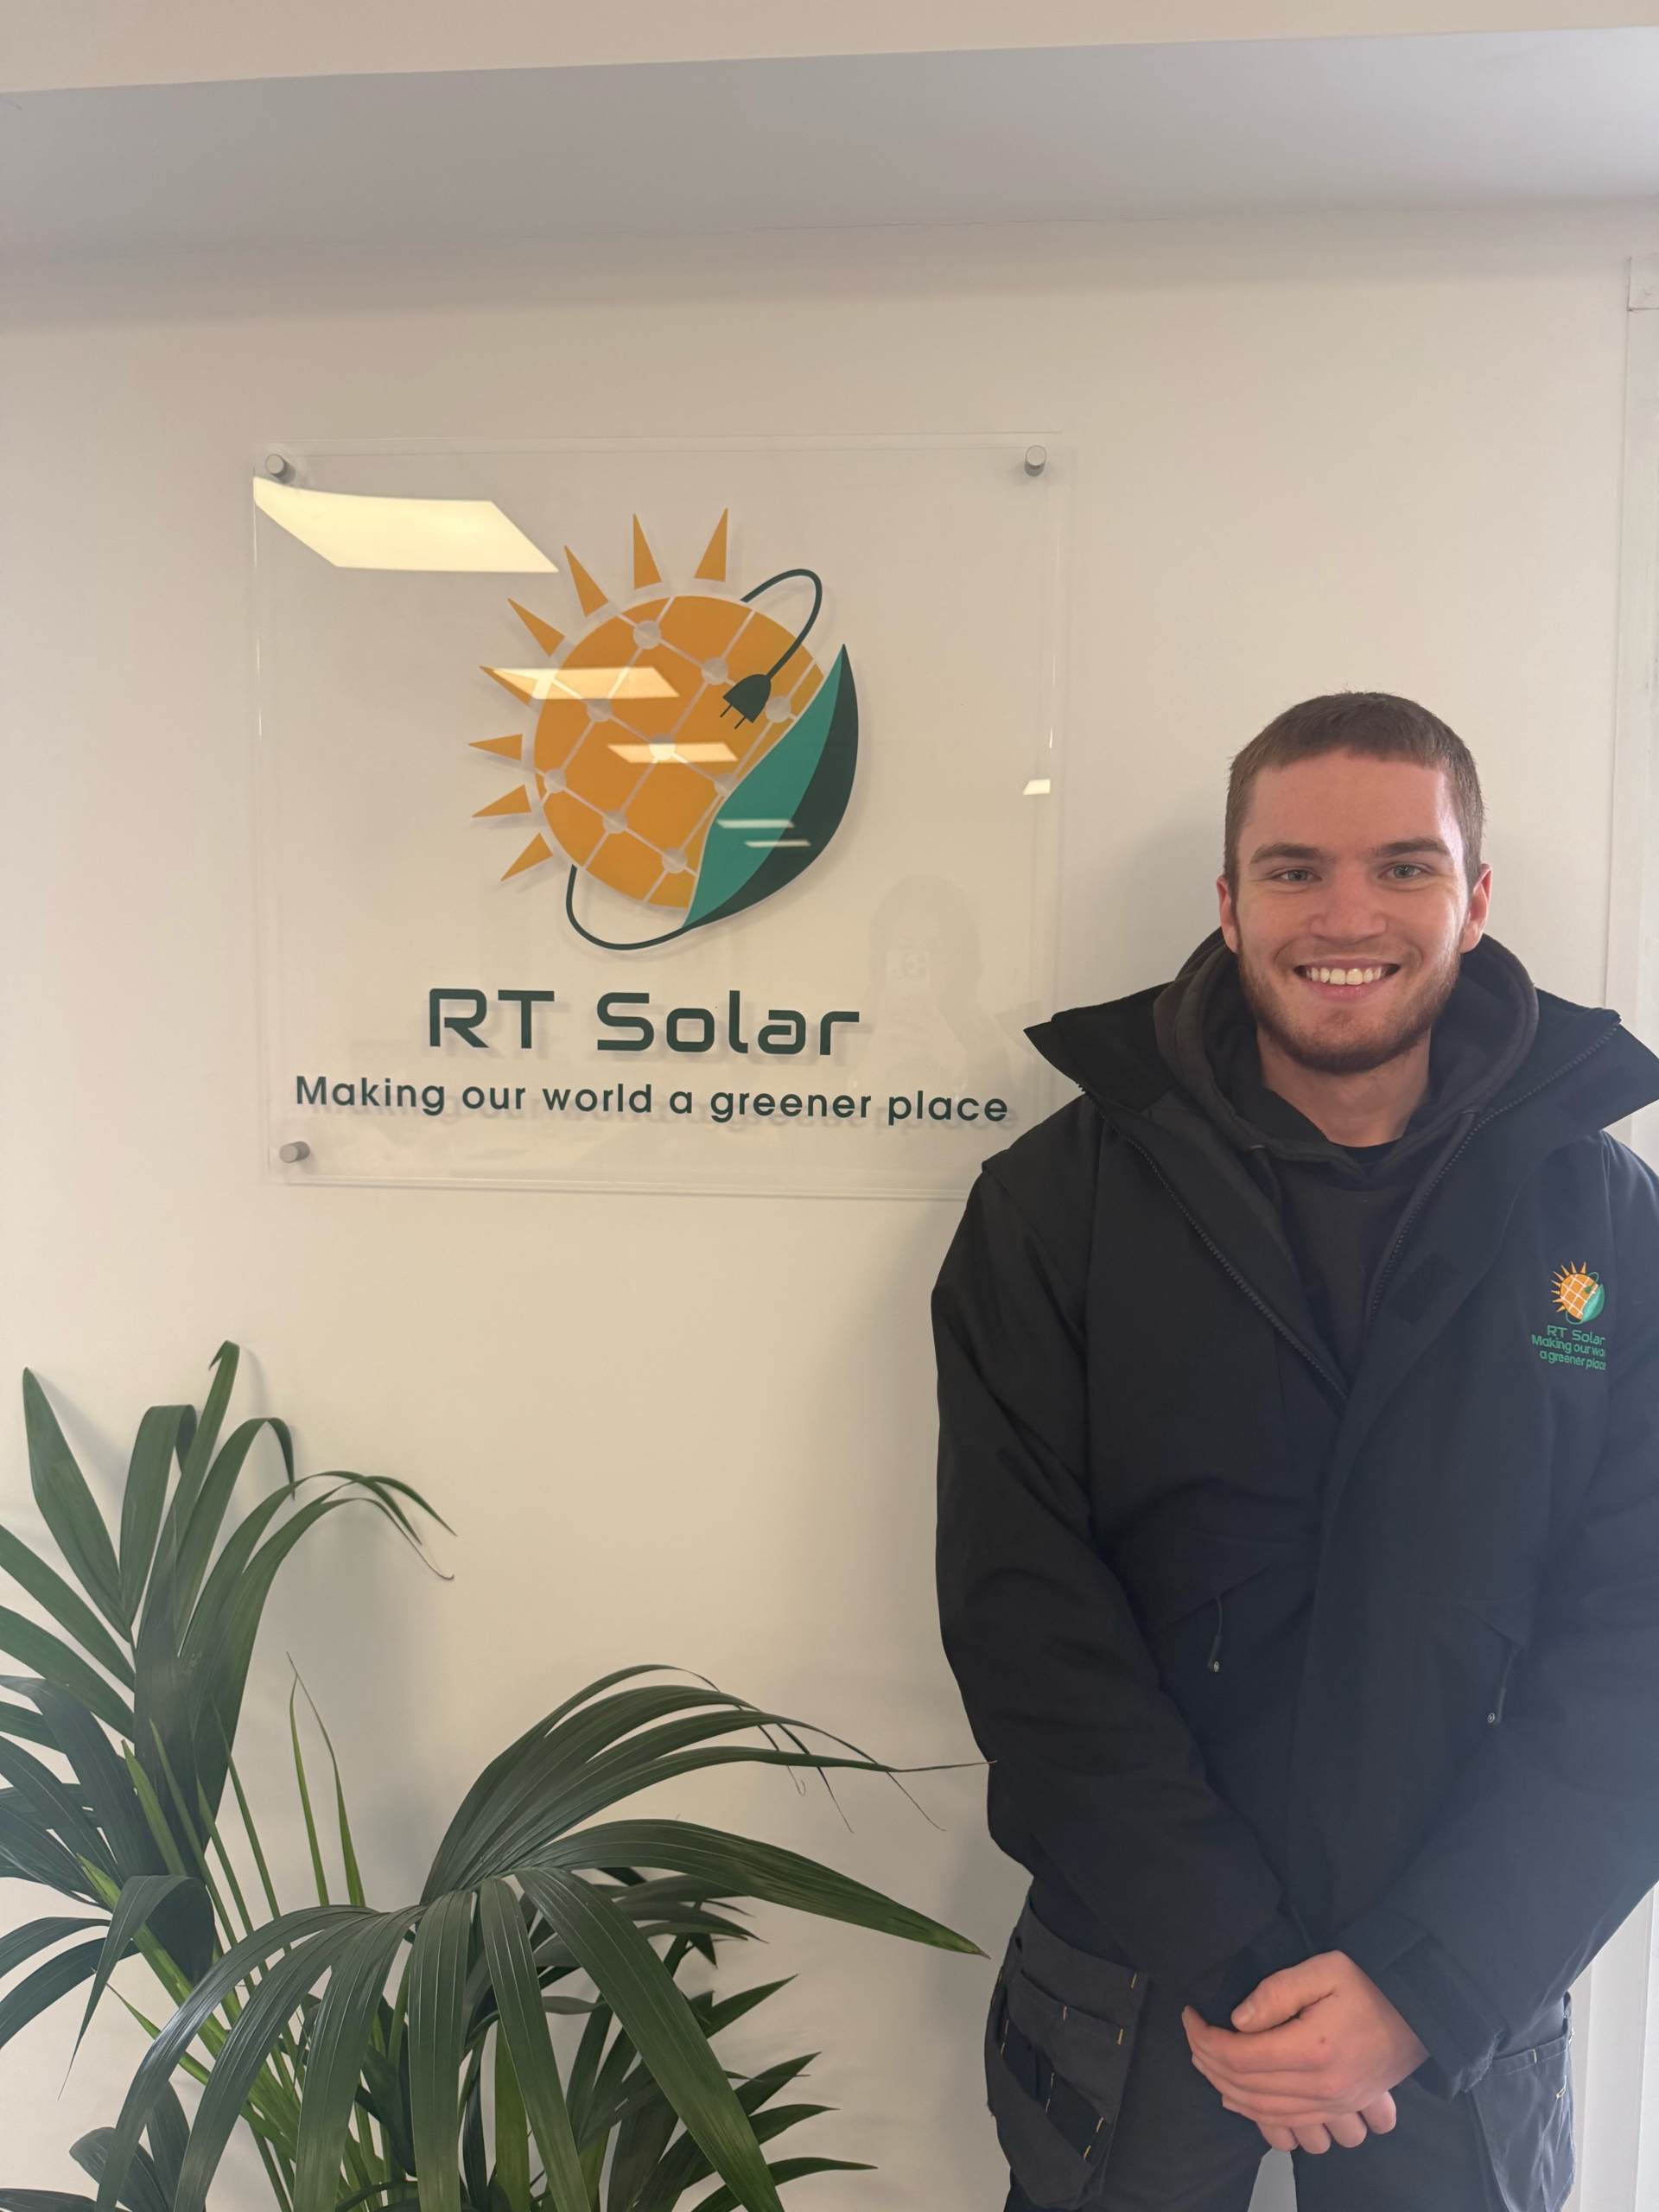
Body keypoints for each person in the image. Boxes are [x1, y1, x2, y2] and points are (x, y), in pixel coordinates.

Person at [933, 693, 1659, 2211]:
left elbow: (1639, 1644)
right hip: (1139, 1973)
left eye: (1404, 866)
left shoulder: (1608, 1223)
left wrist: (1423, 1984)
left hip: (1460, 1994)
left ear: (1475, 898)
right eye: (1294, 870)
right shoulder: (1054, 1205)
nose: (1347, 916)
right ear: (1228, 902)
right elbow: (1024, 1620)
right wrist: (1238, 1959)